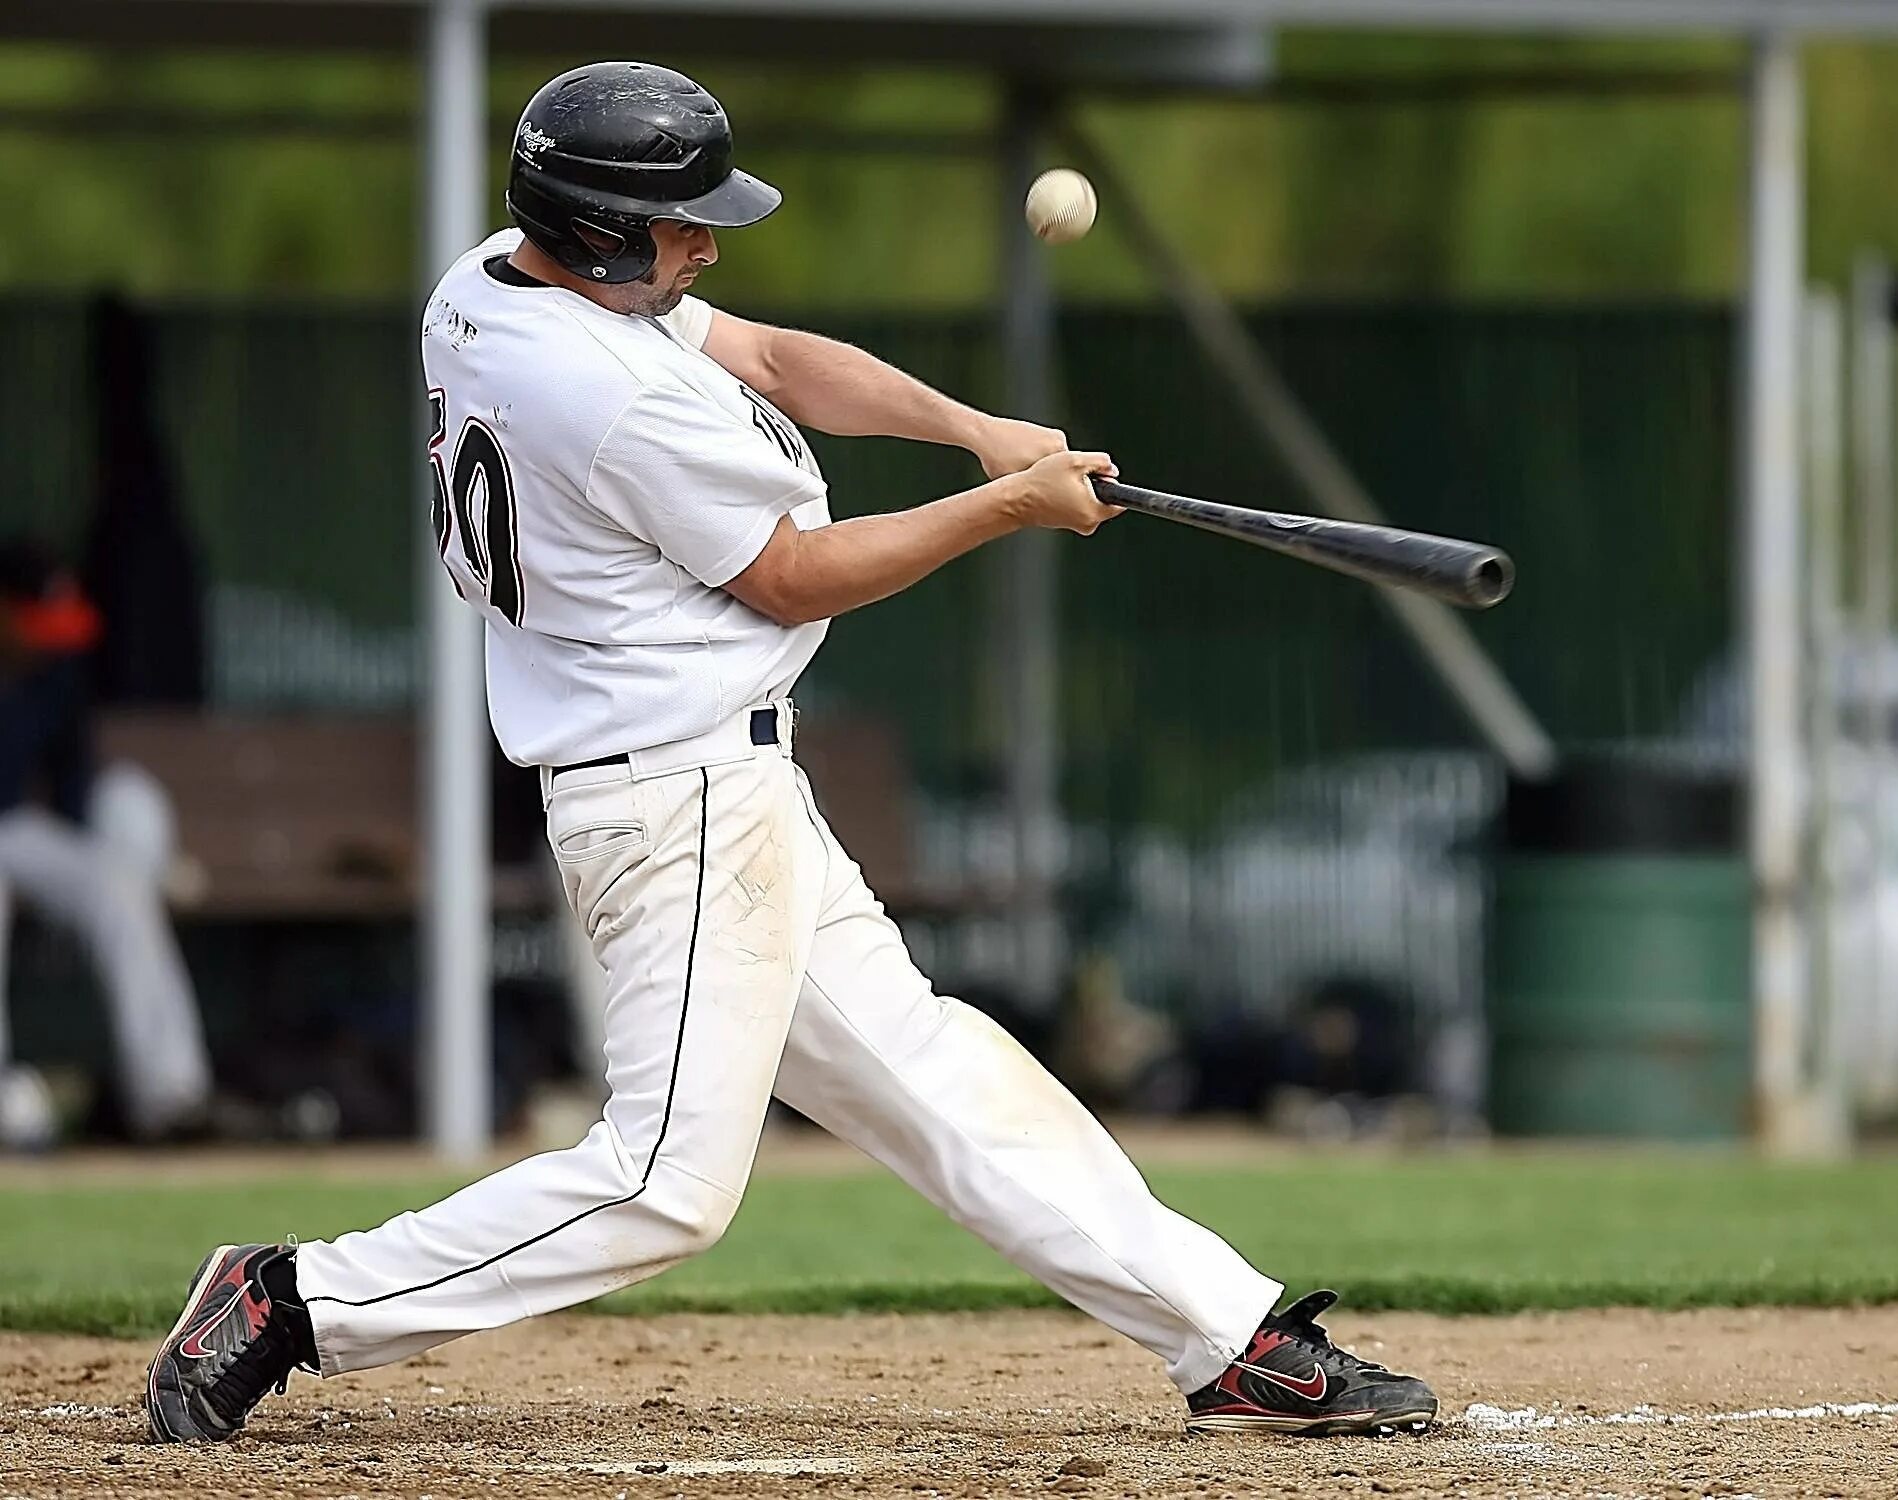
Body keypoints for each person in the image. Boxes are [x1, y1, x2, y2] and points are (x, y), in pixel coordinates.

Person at [143, 61, 1437, 1445]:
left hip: (727, 792)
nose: (705, 243)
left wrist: (972, 427)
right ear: (593, 231)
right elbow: (792, 576)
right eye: (680, 223)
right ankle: (290, 1301)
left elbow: (764, 355)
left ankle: (1226, 1336)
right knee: (663, 1184)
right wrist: (1001, 507)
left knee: (935, 1077)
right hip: (675, 804)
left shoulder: (489, 285)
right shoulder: (607, 396)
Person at [0, 538, 213, 1141]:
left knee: (117, 880)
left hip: (16, 828)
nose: (46, 639)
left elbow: (72, 785)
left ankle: (172, 1096)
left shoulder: (55, 673)